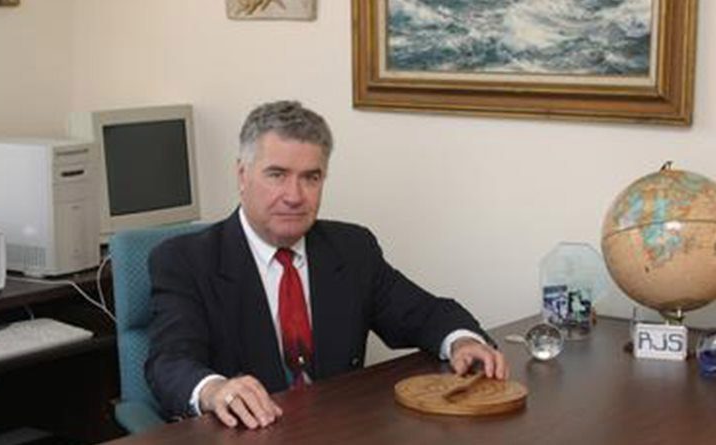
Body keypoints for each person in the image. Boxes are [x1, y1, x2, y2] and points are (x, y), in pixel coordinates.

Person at [145, 100, 508, 429]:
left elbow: (424, 313)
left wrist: (461, 341)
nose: (294, 196)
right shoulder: (186, 260)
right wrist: (215, 389)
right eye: (277, 175)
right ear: (242, 175)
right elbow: (170, 363)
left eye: (310, 178)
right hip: (249, 434)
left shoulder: (351, 248)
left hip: (338, 430)